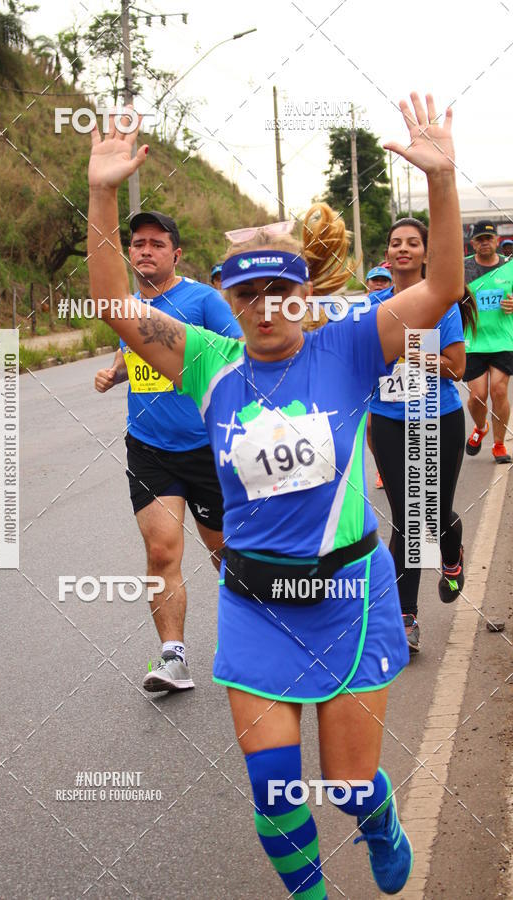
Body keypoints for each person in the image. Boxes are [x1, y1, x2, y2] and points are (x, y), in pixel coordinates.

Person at [87, 94, 463, 897]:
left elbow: (440, 290)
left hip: (347, 596)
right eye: (247, 294)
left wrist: (442, 179)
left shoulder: (351, 345)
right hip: (258, 601)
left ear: (302, 294)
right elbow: (118, 305)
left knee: (351, 783)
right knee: (273, 791)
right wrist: (101, 194)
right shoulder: (207, 361)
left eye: (278, 292)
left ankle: (378, 817)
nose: (264, 308)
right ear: (228, 299)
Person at [94, 209, 242, 693]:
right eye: (137, 243)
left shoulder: (203, 300)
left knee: (227, 556)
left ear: (175, 254)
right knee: (160, 552)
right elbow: (132, 348)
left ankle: (251, 635)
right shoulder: (129, 306)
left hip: (206, 448)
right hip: (149, 448)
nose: (145, 251)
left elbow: (239, 357)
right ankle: (173, 657)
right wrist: (115, 372)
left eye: (157, 244)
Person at [368, 217, 475, 653]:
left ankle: (451, 553)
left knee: (431, 514)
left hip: (438, 417)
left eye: (413, 243)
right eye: (396, 243)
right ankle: (405, 618)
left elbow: (457, 366)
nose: (404, 249)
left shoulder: (442, 303)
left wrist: (408, 346)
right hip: (390, 420)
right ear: (388, 254)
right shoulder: (372, 304)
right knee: (408, 517)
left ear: (426, 254)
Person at [463, 220, 513, 463]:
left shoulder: (510, 266)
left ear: (496, 241)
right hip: (472, 340)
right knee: (477, 396)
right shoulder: (463, 269)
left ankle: (499, 444)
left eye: (489, 238)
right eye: (480, 239)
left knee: (499, 390)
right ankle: (480, 427)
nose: (484, 243)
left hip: (503, 339)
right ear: (473, 243)